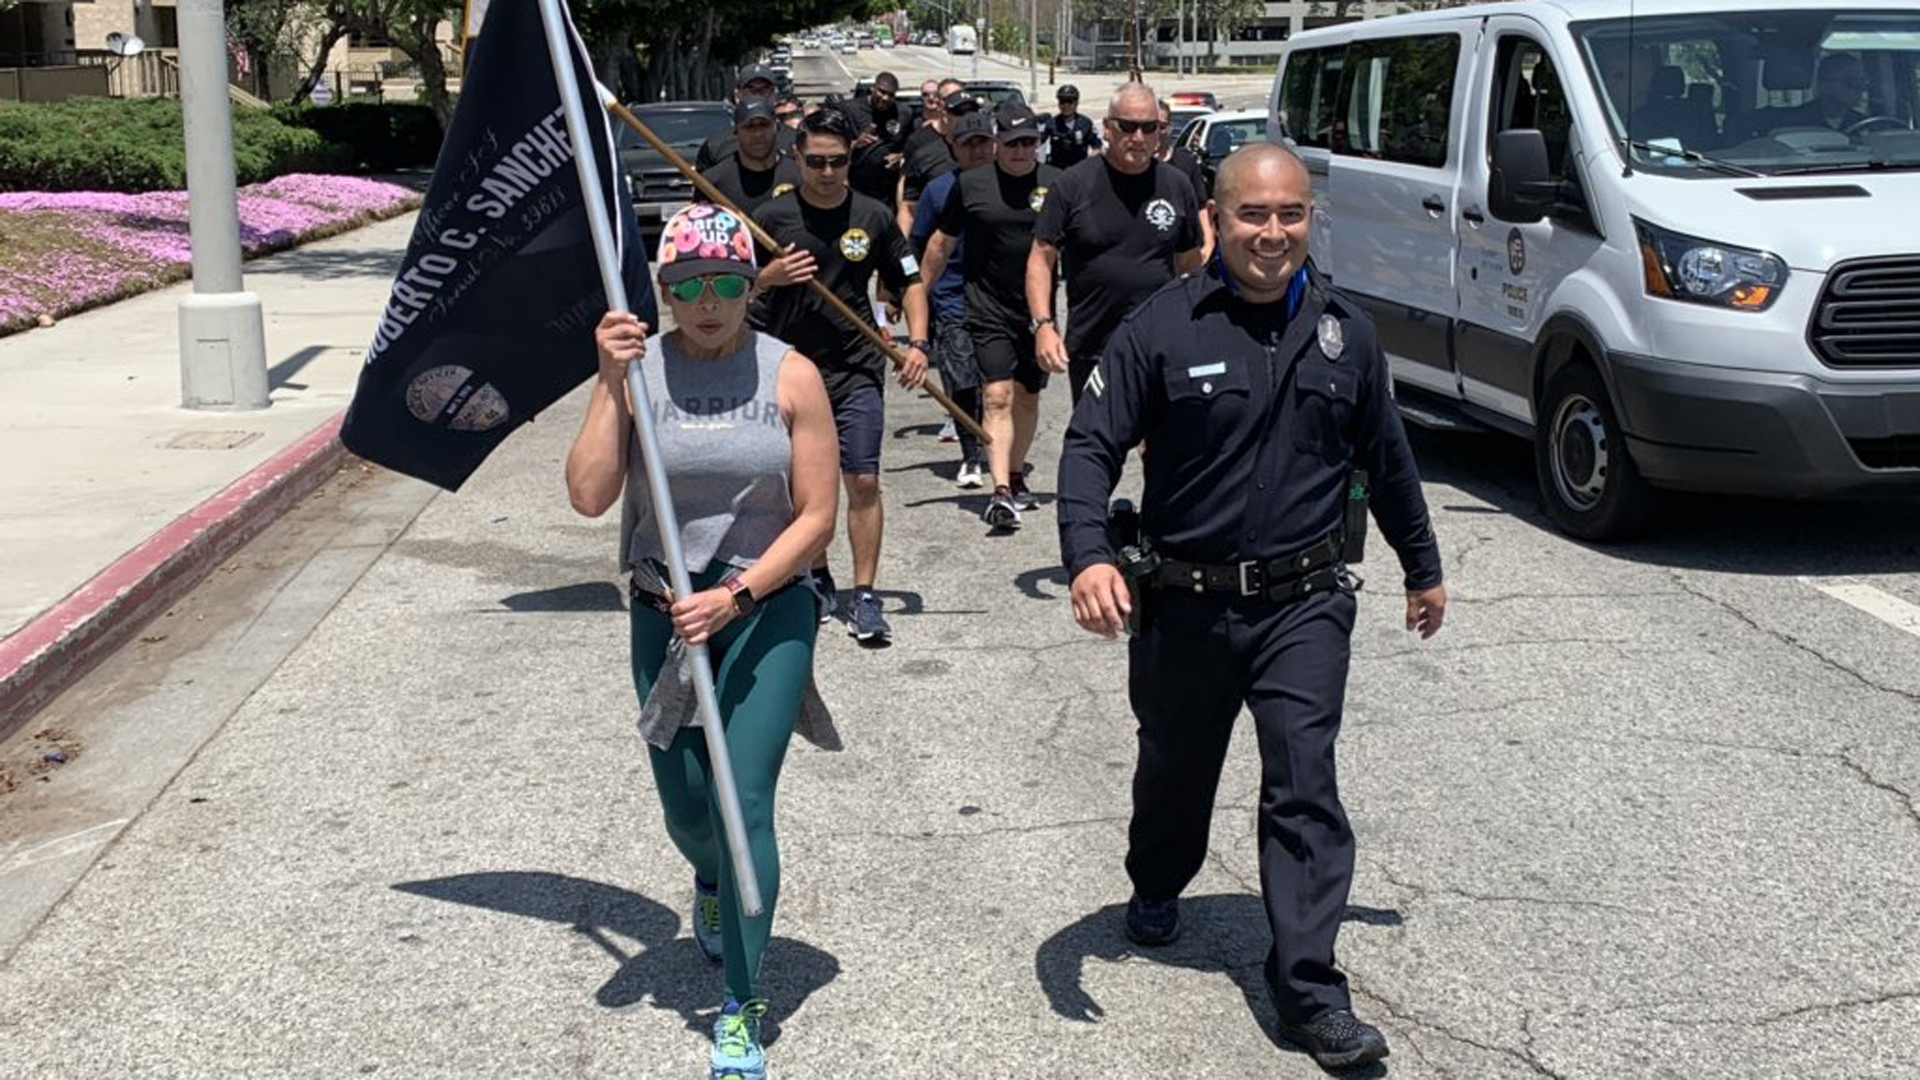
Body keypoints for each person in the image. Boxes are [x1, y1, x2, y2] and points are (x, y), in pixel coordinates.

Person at [1056, 144, 1447, 1071]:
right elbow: (1086, 451)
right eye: (1252, 217)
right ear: (1214, 222)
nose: (1272, 234)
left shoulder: (1349, 333)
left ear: (1312, 219)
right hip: (1185, 605)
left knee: (1304, 781)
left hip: (1304, 605)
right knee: (1175, 768)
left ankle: (1309, 987)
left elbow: (1386, 460)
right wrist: (1087, 558)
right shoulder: (1161, 328)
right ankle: (1156, 881)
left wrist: (1422, 568)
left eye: (1290, 215)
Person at [565, 203, 839, 1080]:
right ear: (666, 293)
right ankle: (712, 884)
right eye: (688, 286)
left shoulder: (790, 374)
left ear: (747, 285)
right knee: (688, 810)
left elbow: (819, 518)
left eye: (726, 282)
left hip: (766, 609)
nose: (710, 301)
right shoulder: (639, 375)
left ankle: (743, 1005)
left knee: (742, 800)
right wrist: (610, 384)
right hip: (663, 616)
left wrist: (736, 593)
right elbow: (587, 495)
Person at [752, 109, 932, 643]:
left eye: (838, 161)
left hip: (855, 366)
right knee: (804, 488)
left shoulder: (873, 216)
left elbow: (912, 282)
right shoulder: (772, 217)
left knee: (864, 480)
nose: (828, 172)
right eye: (816, 162)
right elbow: (733, 288)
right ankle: (819, 576)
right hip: (790, 372)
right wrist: (769, 275)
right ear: (797, 158)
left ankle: (867, 595)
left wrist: (917, 343)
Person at [923, 104, 1060, 530]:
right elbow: (940, 246)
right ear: (997, 142)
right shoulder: (971, 185)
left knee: (1028, 395)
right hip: (986, 307)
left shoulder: (1057, 185)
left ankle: (1016, 474)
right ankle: (999, 490)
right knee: (997, 394)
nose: (1021, 151)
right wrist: (915, 297)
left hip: (1038, 312)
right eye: (1012, 142)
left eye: (1029, 142)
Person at [1029, 83, 1205, 405]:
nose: (1138, 137)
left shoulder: (1177, 185)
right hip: (1092, 345)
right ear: (1108, 129)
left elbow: (1191, 265)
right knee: (1095, 449)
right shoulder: (1072, 185)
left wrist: (1193, 327)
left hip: (1160, 343)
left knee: (1163, 449)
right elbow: (1041, 259)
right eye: (1128, 126)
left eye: (1149, 127)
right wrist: (1043, 325)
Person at [910, 111, 998, 491]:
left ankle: (1001, 453)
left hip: (1000, 300)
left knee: (997, 386)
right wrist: (905, 292)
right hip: (952, 298)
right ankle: (971, 454)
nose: (978, 151)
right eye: (969, 144)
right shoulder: (939, 190)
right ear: (953, 146)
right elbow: (920, 243)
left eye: (984, 142)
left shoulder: (1008, 186)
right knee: (962, 380)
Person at [700, 99, 802, 224]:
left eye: (764, 125)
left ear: (776, 127)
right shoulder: (712, 183)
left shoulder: (800, 176)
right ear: (736, 131)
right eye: (749, 126)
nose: (758, 134)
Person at [897, 79, 971, 237]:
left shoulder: (983, 146)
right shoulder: (919, 143)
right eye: (949, 100)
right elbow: (907, 197)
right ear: (941, 105)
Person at [697, 65, 797, 170]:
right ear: (737, 96)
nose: (758, 96)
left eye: (764, 90)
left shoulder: (795, 142)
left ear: (775, 96)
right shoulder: (715, 147)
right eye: (751, 90)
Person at [833, 71, 908, 208]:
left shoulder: (903, 113)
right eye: (882, 92)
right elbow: (833, 147)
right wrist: (856, 143)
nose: (885, 98)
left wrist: (901, 158)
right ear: (873, 88)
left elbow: (911, 147)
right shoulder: (849, 109)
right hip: (857, 186)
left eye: (891, 95)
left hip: (889, 190)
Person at [1157, 98, 1215, 259]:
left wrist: (1208, 243)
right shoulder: (1138, 166)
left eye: (1161, 126)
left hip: (1184, 248)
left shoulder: (1185, 162)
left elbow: (1200, 206)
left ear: (1169, 128)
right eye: (1150, 126)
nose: (1156, 132)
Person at [1760, 52, 1872, 134]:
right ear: (1823, 84)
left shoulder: (1866, 124)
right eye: (1850, 82)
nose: (1859, 88)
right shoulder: (1790, 123)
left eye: (1862, 82)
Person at [1042, 84, 1101, 170]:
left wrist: (1090, 164)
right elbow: (1037, 143)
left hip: (1079, 170)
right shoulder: (1052, 123)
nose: (1066, 105)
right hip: (1056, 170)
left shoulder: (1085, 123)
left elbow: (1096, 147)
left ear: (1076, 103)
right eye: (1062, 101)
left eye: (1069, 102)